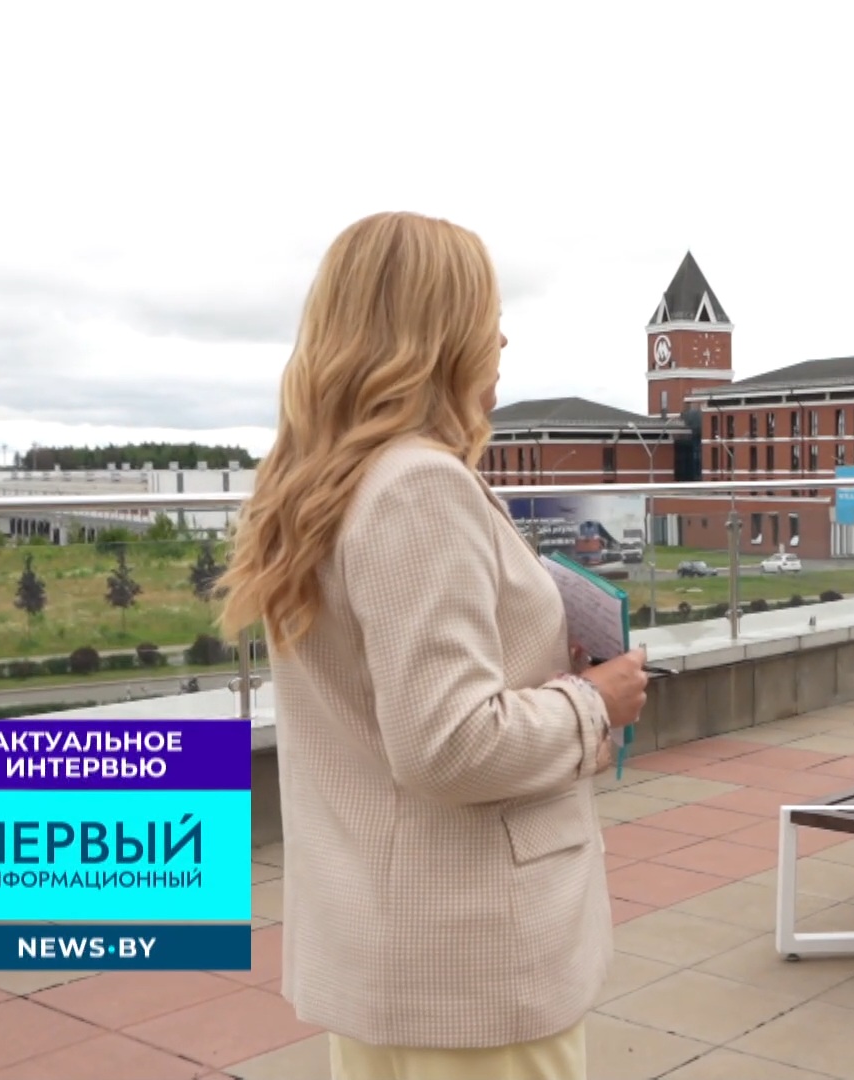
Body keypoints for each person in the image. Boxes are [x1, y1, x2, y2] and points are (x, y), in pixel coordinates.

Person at [217, 211, 650, 1079]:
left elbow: (384, 703)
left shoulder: (322, 485)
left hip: (388, 948)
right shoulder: (418, 486)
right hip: (471, 968)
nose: (501, 339)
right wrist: (594, 703)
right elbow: (449, 743)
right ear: (438, 335)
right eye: (486, 316)